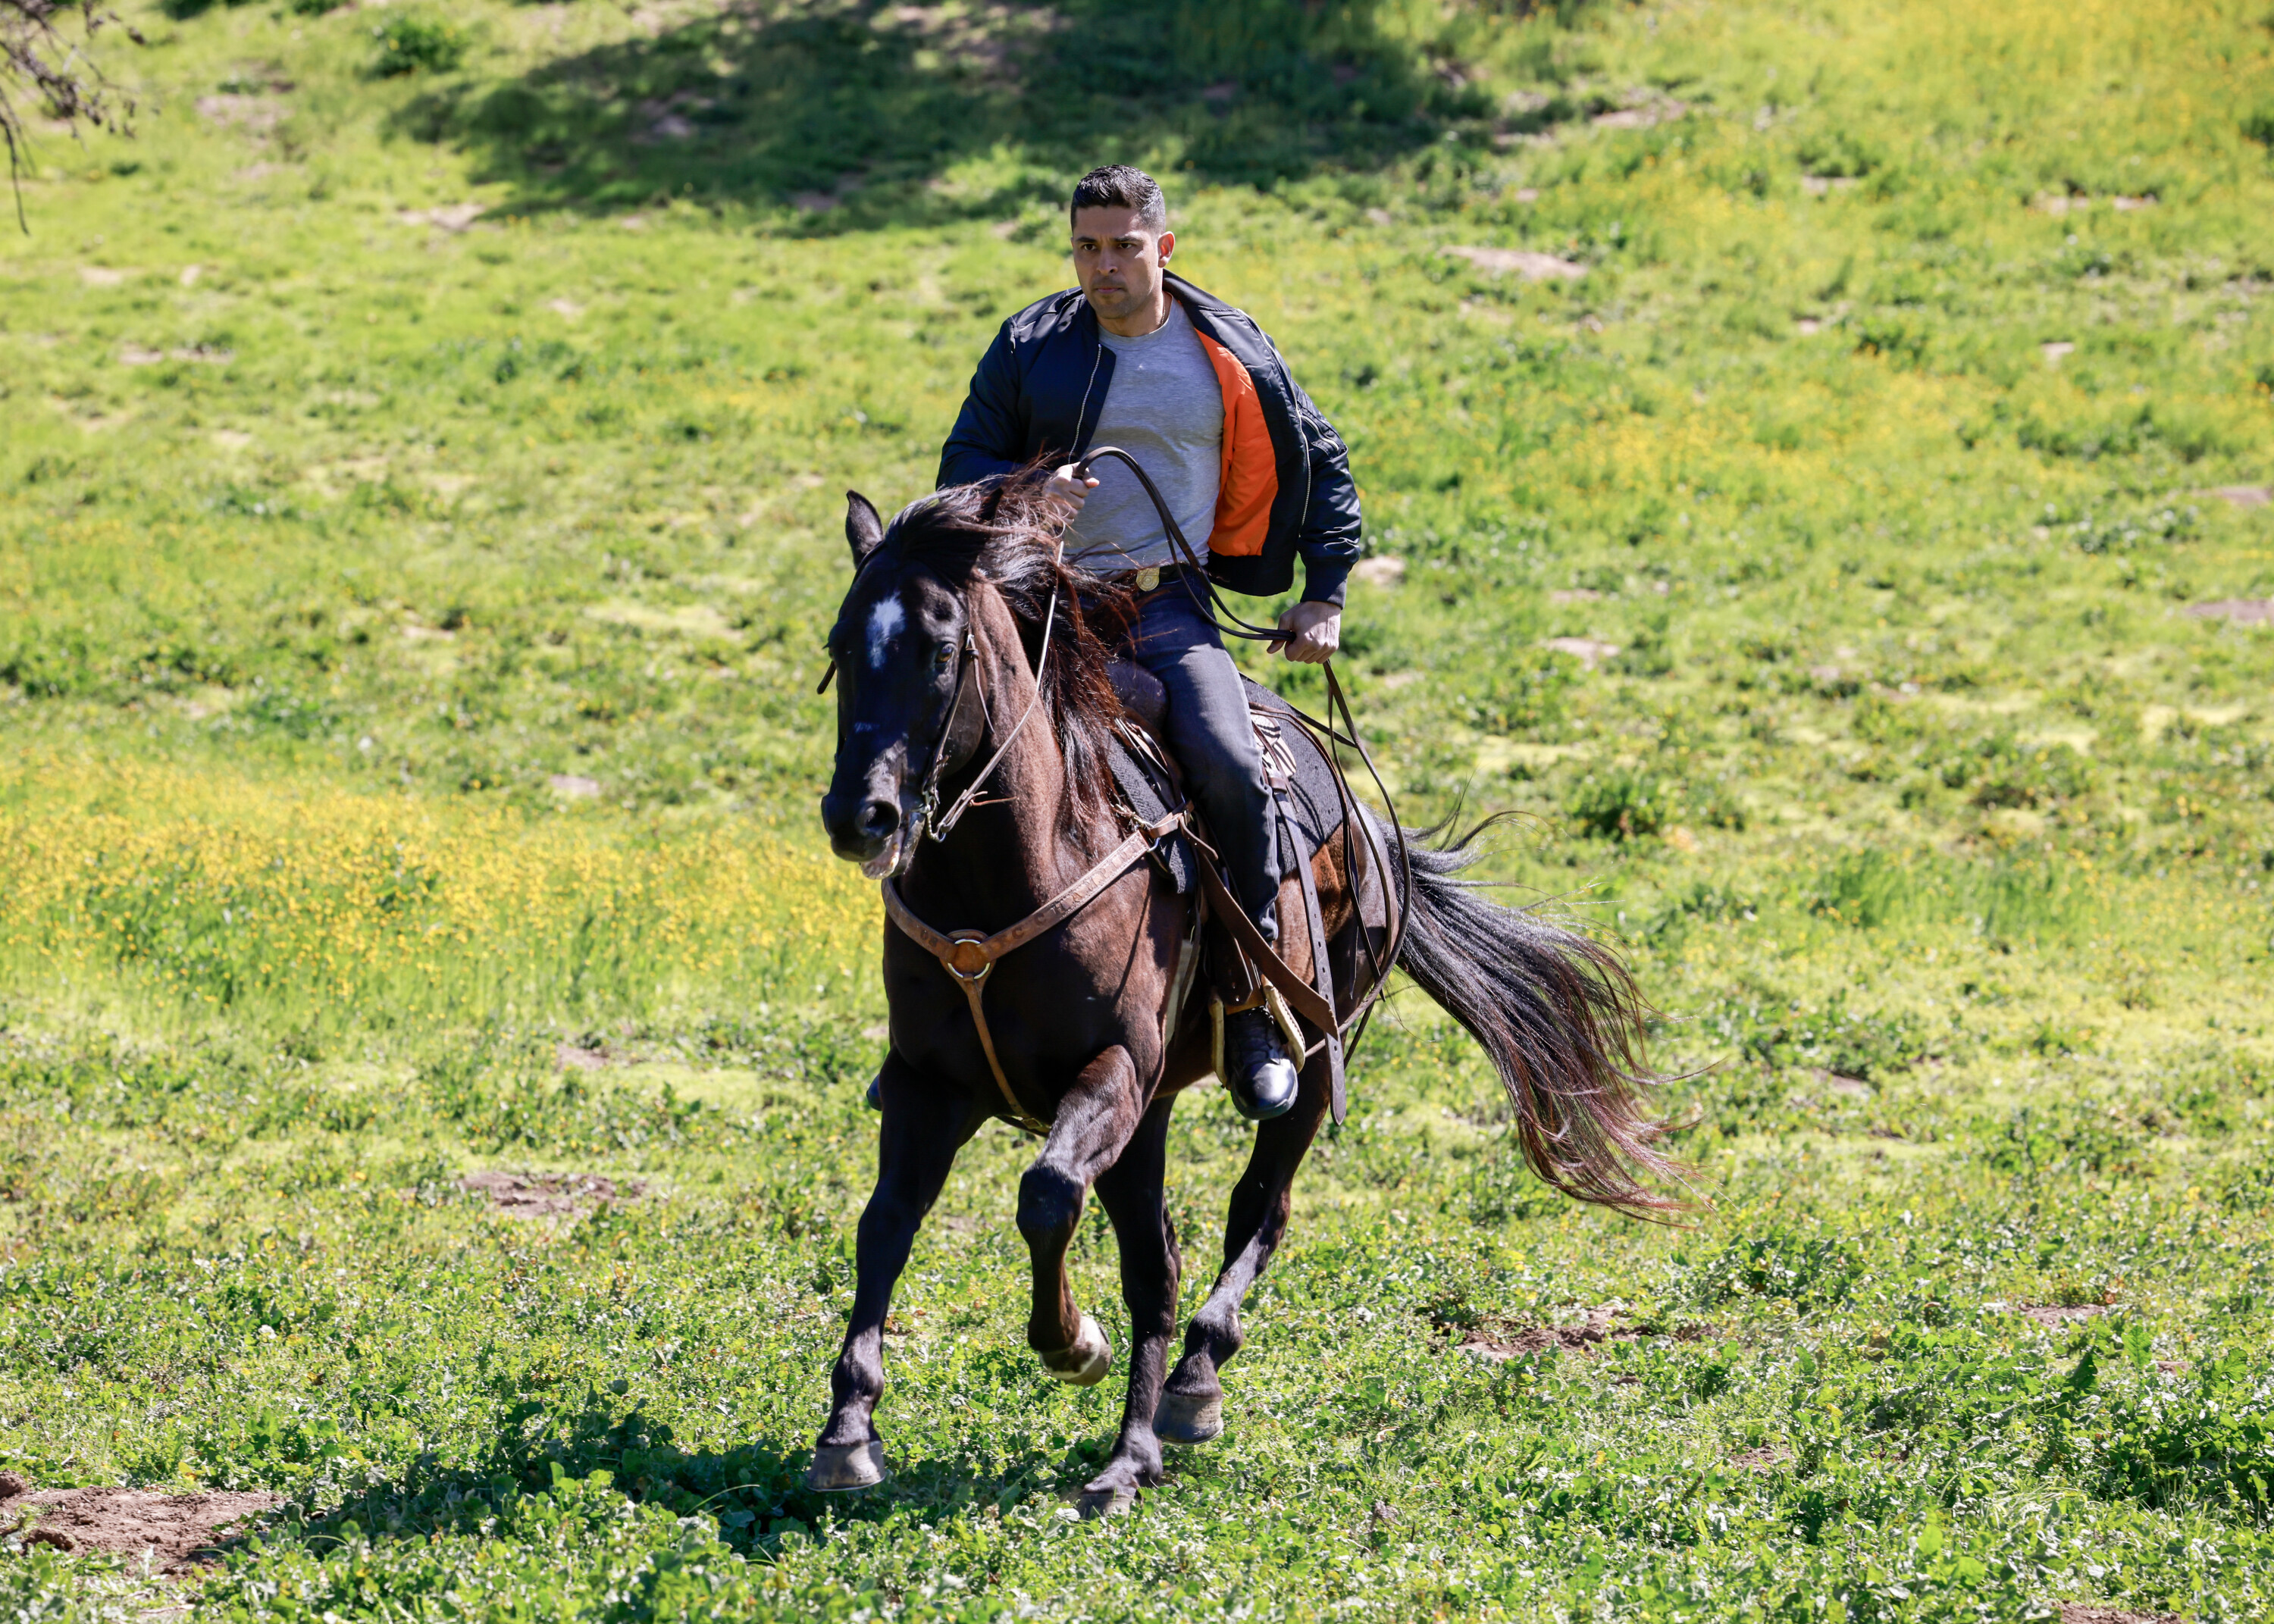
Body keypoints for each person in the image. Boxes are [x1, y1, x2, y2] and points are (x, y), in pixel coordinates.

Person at [938, 163, 1363, 1122]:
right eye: (1087, 247)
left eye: (1124, 246)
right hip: (1042, 604)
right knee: (943, 751)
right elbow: (963, 460)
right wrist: (1023, 497)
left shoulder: (1231, 347)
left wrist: (1324, 592)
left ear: (1162, 247)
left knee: (1226, 761)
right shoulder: (1032, 344)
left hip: (1166, 606)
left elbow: (1322, 458)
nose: (1104, 266)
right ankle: (927, 1020)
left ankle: (1250, 1004)